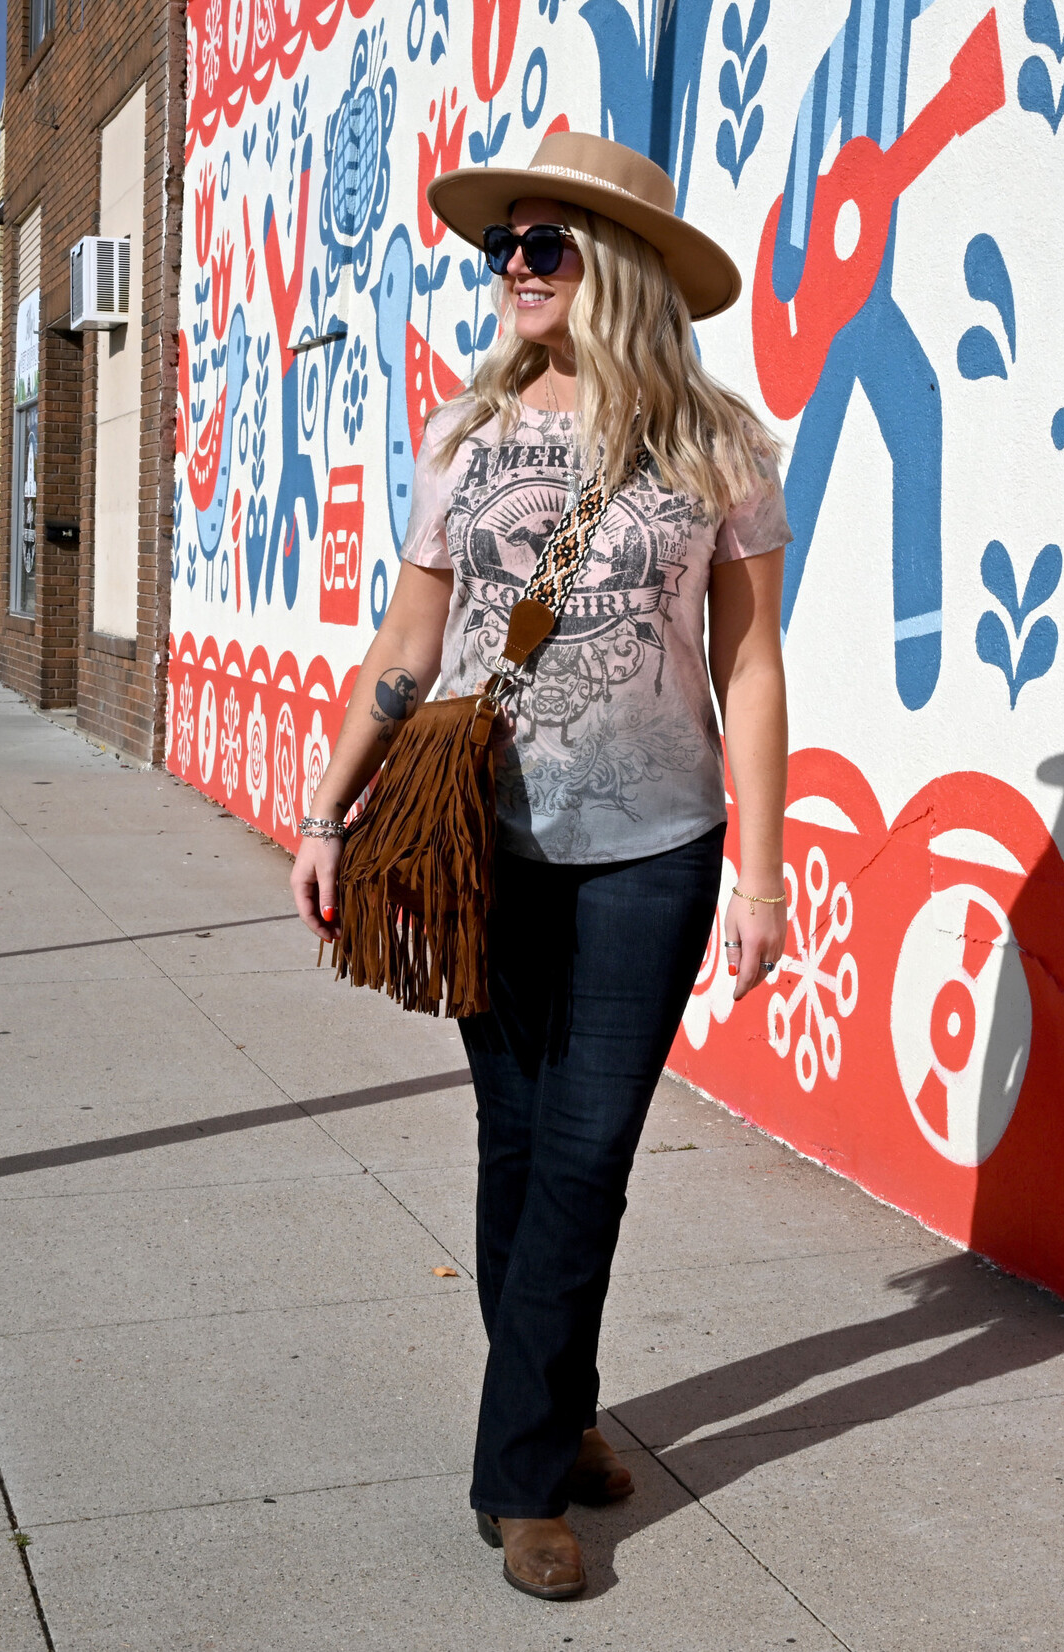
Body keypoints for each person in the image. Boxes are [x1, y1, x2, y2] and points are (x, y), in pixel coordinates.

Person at [290, 131, 790, 1601]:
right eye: (501, 244)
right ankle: (555, 1425)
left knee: (588, 1153)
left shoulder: (719, 448)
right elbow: (406, 648)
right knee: (521, 1151)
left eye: (543, 244)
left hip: (658, 846)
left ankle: (515, 1480)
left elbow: (749, 667)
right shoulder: (461, 440)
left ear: (614, 267)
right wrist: (327, 814)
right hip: (483, 846)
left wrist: (762, 878)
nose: (510, 267)